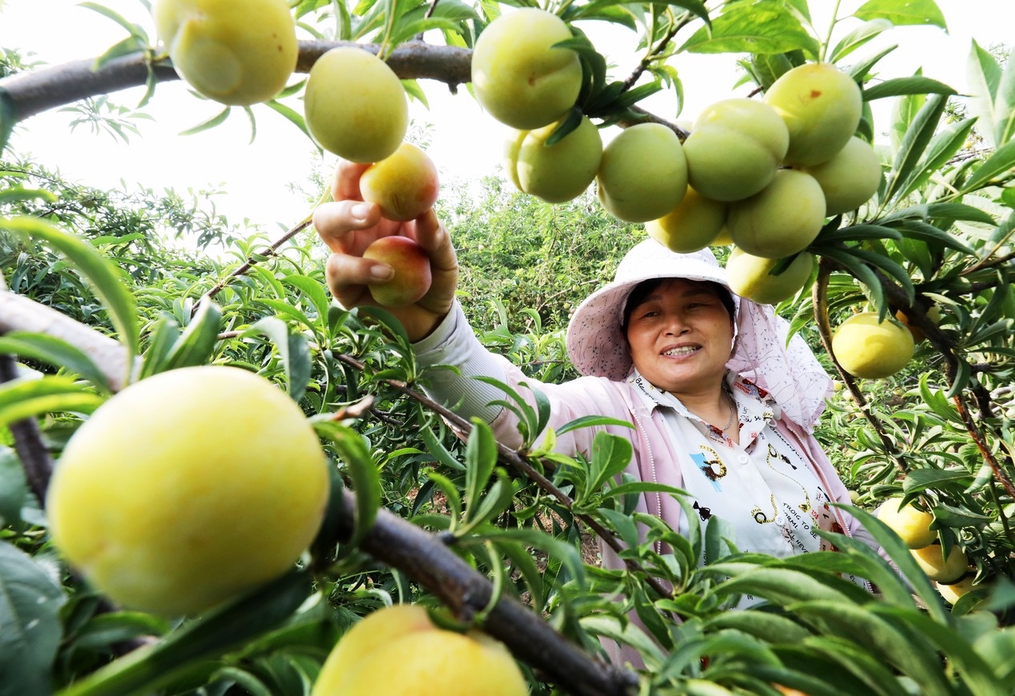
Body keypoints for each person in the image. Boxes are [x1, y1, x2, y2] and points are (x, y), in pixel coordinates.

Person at [313, 160, 878, 664]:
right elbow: (514, 413)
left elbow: (858, 535)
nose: (674, 324)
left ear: (734, 325)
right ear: (627, 340)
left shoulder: (777, 417)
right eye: (650, 313)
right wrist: (434, 333)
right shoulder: (613, 413)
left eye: (697, 305)